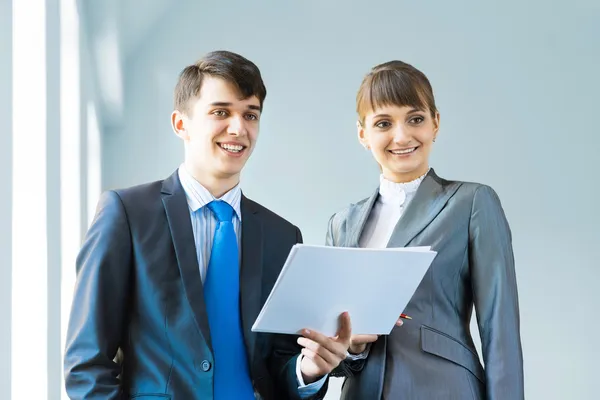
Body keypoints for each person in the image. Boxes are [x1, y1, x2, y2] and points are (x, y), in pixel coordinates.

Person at [63, 50, 352, 400]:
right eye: (221, 112)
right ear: (181, 123)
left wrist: (309, 369)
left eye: (251, 114)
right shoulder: (126, 214)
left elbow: (277, 364)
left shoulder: (282, 236)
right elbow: (86, 363)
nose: (239, 128)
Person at [328, 60, 524, 399]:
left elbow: (500, 330)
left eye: (415, 119)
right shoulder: (342, 224)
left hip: (444, 388)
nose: (401, 136)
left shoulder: (473, 202)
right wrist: (351, 349)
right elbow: (334, 350)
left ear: (435, 123)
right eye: (384, 123)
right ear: (363, 134)